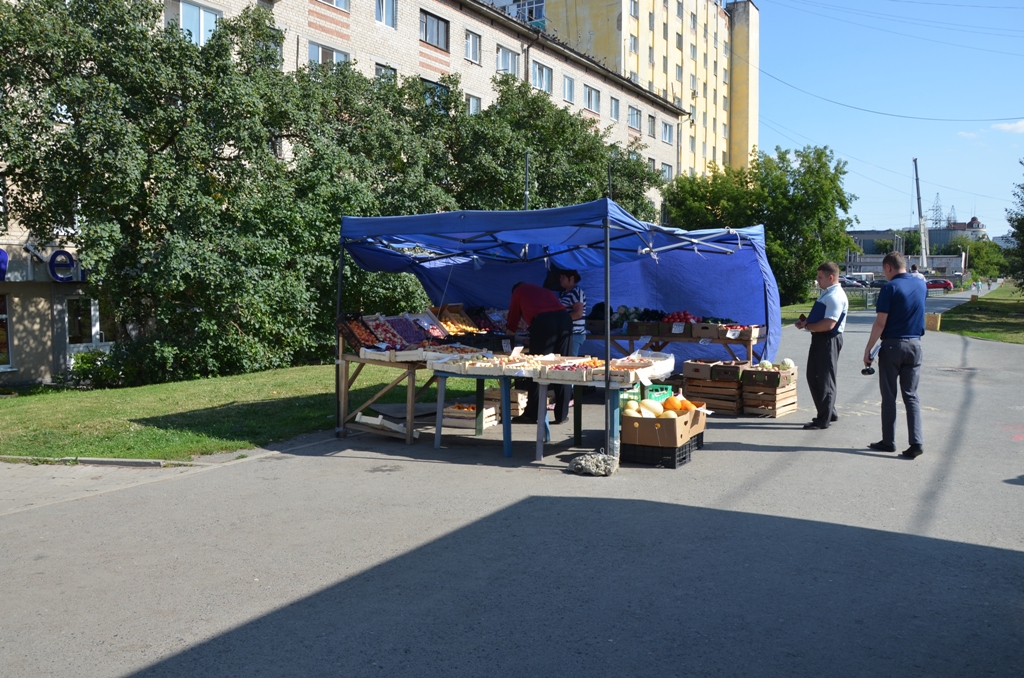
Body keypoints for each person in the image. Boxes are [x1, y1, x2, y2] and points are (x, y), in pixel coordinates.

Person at [863, 252, 927, 459]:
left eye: (884, 270)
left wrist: (869, 349)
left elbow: (880, 323)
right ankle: (916, 441)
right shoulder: (921, 285)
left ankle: (888, 440)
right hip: (915, 345)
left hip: (892, 346)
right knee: (911, 395)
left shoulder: (889, 288)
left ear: (888, 268)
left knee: (889, 395)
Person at [506, 282, 573, 424]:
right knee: (563, 366)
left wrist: (509, 338)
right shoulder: (543, 290)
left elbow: (513, 318)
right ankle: (562, 415)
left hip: (544, 323)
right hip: (565, 320)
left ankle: (532, 413)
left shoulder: (518, 292)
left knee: (536, 368)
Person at [795, 262, 848, 430]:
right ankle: (828, 411)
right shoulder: (828, 293)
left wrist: (807, 326)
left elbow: (829, 324)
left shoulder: (835, 296)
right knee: (814, 376)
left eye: (820, 277)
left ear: (830, 277)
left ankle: (823, 419)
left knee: (825, 379)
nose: (817, 281)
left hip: (828, 339)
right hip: (821, 339)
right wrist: (807, 322)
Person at [558, 270, 587, 356]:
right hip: (567, 333)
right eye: (560, 277)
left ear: (571, 278)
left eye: (563, 277)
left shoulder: (576, 292)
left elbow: (578, 313)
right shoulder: (564, 293)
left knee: (569, 362)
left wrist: (560, 319)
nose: (560, 279)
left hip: (574, 334)